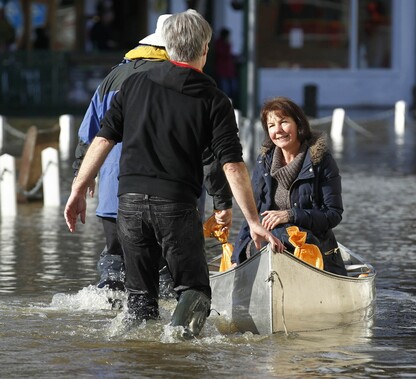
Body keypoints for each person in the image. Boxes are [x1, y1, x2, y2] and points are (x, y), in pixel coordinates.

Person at [64, 9, 284, 337]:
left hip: (129, 205)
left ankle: (136, 358)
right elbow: (231, 164)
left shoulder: (134, 83)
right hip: (175, 207)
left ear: (167, 46)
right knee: (194, 292)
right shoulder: (214, 98)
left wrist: (78, 189)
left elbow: (103, 138)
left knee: (139, 299)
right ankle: (179, 352)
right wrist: (252, 221)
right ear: (204, 49)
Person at [73, 14, 233, 296]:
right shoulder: (182, 84)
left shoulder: (113, 78)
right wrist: (223, 201)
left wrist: (80, 181)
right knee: (172, 279)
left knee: (120, 275)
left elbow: (92, 136)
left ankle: (119, 323)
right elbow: (210, 154)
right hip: (172, 196)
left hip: (119, 197)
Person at [231, 97, 347, 276]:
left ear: (298, 124)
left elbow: (333, 214)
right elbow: (252, 215)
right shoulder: (264, 162)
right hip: (265, 244)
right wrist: (235, 259)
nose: (277, 130)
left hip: (310, 249)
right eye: (271, 125)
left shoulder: (322, 161)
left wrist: (290, 215)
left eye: (283, 122)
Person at [214, 27, 238, 104]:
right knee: (225, 90)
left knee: (233, 89)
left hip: (230, 71)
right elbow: (223, 54)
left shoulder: (228, 44)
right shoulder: (220, 43)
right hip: (222, 70)